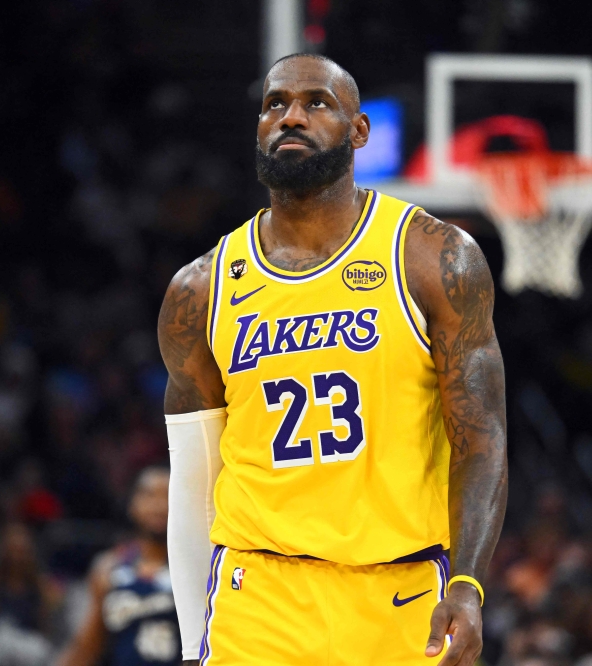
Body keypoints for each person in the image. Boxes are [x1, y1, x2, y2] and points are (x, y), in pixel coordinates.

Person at [157, 53, 508, 666]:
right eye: (275, 104)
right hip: (257, 599)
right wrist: (193, 646)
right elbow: (193, 480)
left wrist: (469, 585)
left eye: (316, 102)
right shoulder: (201, 289)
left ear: (359, 130)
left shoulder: (433, 258)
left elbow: (482, 439)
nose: (291, 116)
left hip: (400, 593)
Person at [57, 468, 180, 665]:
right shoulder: (108, 567)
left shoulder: (193, 569)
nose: (159, 504)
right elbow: (88, 645)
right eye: (149, 495)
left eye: (168, 495)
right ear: (132, 505)